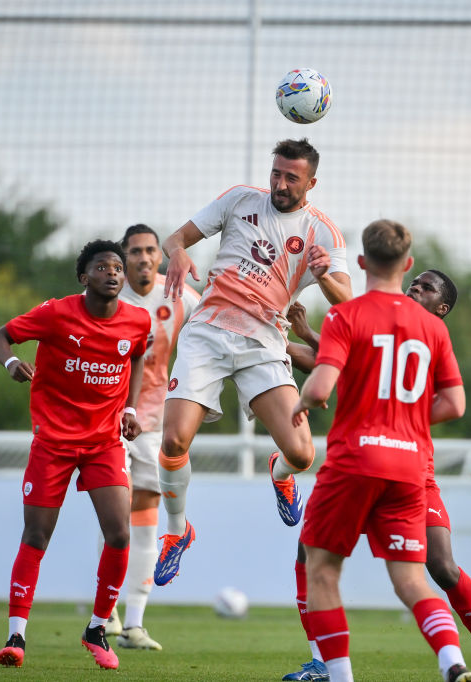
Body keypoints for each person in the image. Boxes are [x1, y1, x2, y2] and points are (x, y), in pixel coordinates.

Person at [282, 273, 471, 682]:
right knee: (313, 555)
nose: (415, 289)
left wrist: (282, 346)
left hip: (405, 469)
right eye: (413, 282)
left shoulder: (428, 337)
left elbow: (339, 367)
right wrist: (292, 337)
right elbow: (340, 359)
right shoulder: (386, 328)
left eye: (427, 288)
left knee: (441, 567)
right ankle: (322, 662)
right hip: (392, 467)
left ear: (442, 309)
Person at [152, 138, 351, 586]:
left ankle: (279, 475)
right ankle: (177, 531)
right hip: (208, 332)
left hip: (264, 342)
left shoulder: (323, 232)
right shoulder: (240, 198)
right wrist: (179, 252)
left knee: (301, 454)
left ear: (311, 182)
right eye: (276, 173)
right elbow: (175, 239)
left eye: (291, 178)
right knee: (172, 442)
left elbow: (347, 300)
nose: (279, 183)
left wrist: (323, 276)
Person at [0, 240, 151, 671]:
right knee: (37, 535)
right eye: (103, 267)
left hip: (103, 442)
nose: (114, 273)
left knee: (119, 533)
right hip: (53, 442)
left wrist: (130, 408)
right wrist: (9, 363)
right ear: (84, 278)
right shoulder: (57, 313)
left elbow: (137, 357)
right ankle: (16, 635)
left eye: (118, 267)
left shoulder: (137, 320)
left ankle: (97, 628)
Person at [102, 224, 200, 650]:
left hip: (155, 423)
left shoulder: (181, 296)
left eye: (150, 250)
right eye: (135, 252)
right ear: (123, 258)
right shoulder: (107, 298)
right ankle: (105, 613)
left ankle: (133, 624)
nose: (143, 258)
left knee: (145, 517)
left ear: (160, 256)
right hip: (110, 422)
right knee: (115, 513)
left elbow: (218, 326)